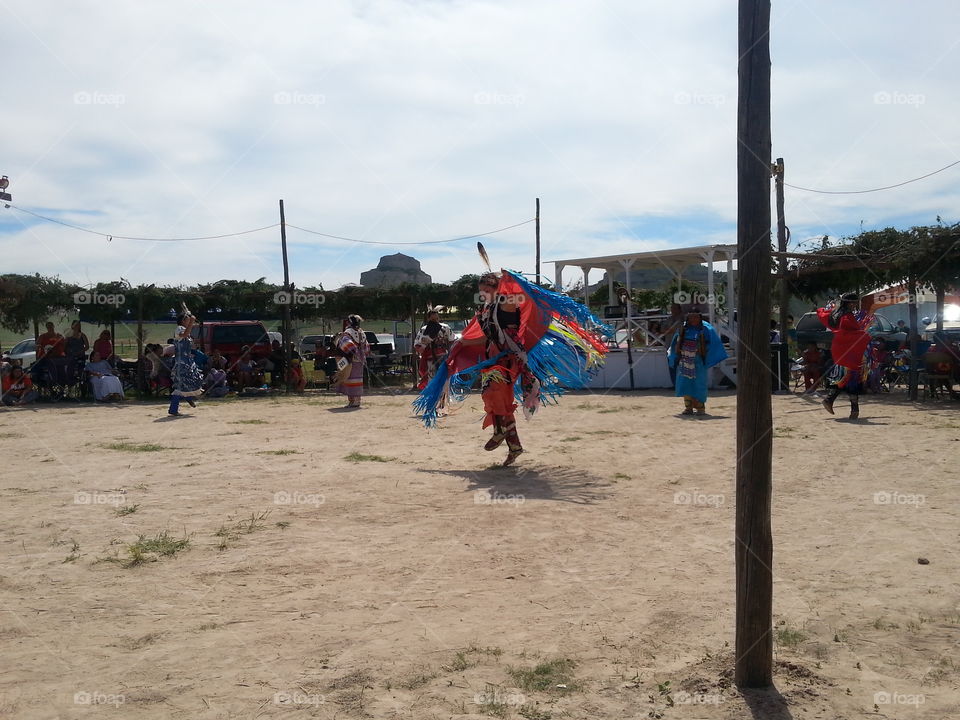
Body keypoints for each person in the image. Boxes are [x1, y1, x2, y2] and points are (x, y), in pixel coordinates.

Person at [415, 268, 610, 466]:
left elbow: (523, 298)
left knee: (494, 390)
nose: (483, 294)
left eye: (486, 290)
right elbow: (487, 336)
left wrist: (510, 280)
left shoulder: (507, 303)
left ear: (496, 288)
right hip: (494, 358)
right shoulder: (486, 310)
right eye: (481, 290)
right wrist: (464, 343)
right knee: (494, 396)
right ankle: (514, 445)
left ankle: (500, 431)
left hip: (511, 357)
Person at [816, 292, 871, 419]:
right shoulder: (847, 317)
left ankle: (832, 401)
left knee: (844, 377)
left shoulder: (835, 314)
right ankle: (852, 409)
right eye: (854, 303)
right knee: (850, 376)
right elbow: (851, 331)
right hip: (847, 347)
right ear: (850, 303)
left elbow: (823, 314)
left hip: (840, 347)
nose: (855, 306)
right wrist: (865, 335)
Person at [667, 310, 728, 415]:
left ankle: (700, 408)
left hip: (698, 361)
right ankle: (688, 408)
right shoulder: (683, 328)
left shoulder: (706, 328)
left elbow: (713, 343)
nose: (693, 319)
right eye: (691, 317)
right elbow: (676, 343)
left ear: (700, 317)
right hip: (684, 361)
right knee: (685, 383)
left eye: (696, 317)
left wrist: (702, 349)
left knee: (699, 383)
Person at [168, 314, 203, 416]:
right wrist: (192, 321)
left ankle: (188, 397)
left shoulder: (184, 329)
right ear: (183, 321)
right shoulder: (179, 329)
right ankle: (173, 409)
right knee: (180, 383)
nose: (189, 321)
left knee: (190, 380)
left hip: (187, 360)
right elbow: (184, 334)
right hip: (181, 362)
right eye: (187, 320)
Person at [414, 309, 455, 389]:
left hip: (444, 359)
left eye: (437, 319)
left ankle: (443, 400)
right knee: (432, 383)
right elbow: (417, 345)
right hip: (431, 360)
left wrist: (450, 355)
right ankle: (434, 400)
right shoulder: (423, 330)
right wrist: (426, 341)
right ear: (428, 319)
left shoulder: (445, 328)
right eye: (433, 319)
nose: (435, 321)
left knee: (445, 383)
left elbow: (452, 341)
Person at [336, 315, 370, 408]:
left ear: (349, 322)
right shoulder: (361, 332)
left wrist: (350, 349)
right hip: (360, 360)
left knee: (350, 379)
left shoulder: (348, 332)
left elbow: (345, 344)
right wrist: (362, 354)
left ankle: (353, 401)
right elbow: (366, 347)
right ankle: (355, 401)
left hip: (350, 359)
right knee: (357, 379)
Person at [662, 303, 685, 384]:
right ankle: (675, 384)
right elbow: (663, 330)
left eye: (674, 308)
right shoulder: (668, 319)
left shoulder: (683, 319)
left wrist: (669, 330)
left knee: (683, 365)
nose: (672, 310)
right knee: (672, 366)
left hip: (681, 345)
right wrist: (669, 330)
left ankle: (682, 384)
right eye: (672, 308)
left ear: (679, 309)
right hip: (670, 345)